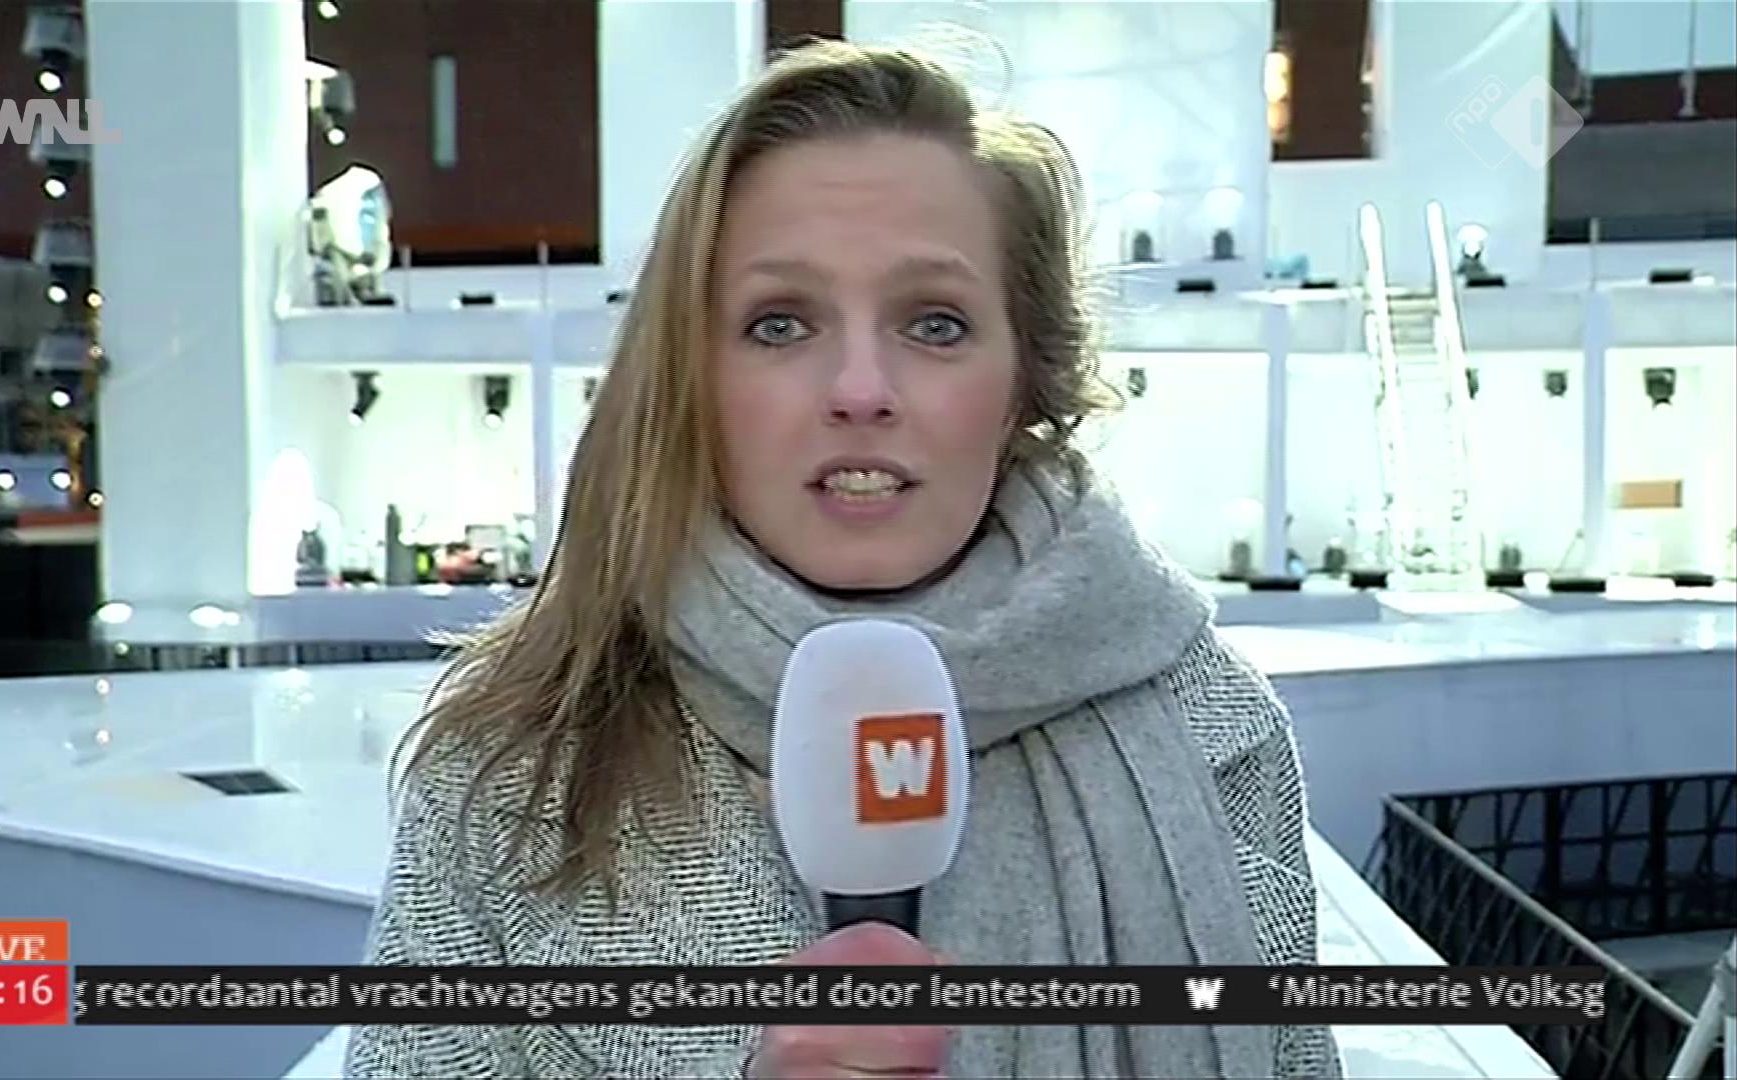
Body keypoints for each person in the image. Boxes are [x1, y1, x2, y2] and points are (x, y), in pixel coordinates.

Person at [346, 39, 1342, 1079]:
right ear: (690, 377)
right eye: (780, 324)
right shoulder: (513, 762)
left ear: (1024, 381)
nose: (861, 390)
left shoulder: (1210, 723)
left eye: (935, 324)